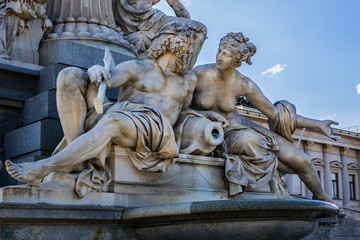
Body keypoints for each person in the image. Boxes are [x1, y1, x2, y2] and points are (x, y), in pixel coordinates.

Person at [5, 23, 198, 197]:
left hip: (154, 129)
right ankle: (77, 161)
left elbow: (184, 113)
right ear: (167, 45)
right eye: (182, 52)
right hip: (125, 115)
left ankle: (43, 167)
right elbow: (106, 80)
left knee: (114, 119)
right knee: (69, 75)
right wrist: (96, 70)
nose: (185, 57)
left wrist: (210, 122)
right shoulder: (138, 67)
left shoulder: (188, 80)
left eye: (187, 53)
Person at [189, 32, 340, 204]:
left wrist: (318, 124)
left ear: (237, 60)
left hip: (242, 126)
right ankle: (274, 175)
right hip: (218, 133)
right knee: (260, 147)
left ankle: (321, 197)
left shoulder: (244, 84)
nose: (220, 57)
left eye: (226, 54)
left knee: (303, 161)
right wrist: (206, 115)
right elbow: (183, 106)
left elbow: (276, 114)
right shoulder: (200, 73)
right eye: (219, 51)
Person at [113, 0, 206, 69]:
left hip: (130, 24)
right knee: (200, 29)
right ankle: (183, 71)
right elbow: (179, 9)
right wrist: (185, 30)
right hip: (153, 20)